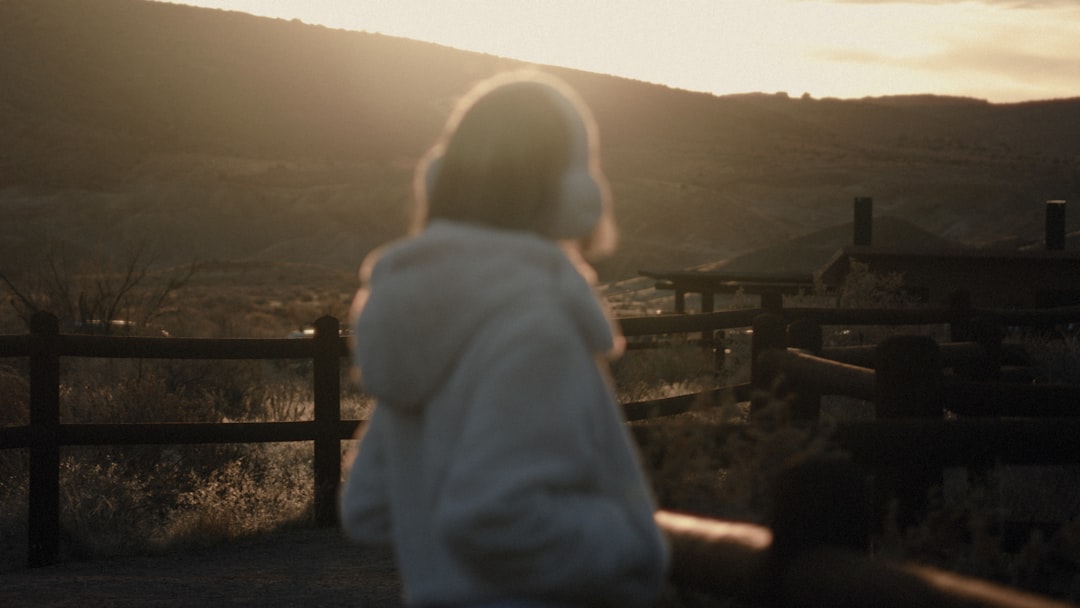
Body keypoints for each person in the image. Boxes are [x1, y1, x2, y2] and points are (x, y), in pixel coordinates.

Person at [340, 70, 670, 608]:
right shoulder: (535, 330)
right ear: (571, 191)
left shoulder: (426, 315)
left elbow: (370, 504)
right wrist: (632, 539)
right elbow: (496, 517)